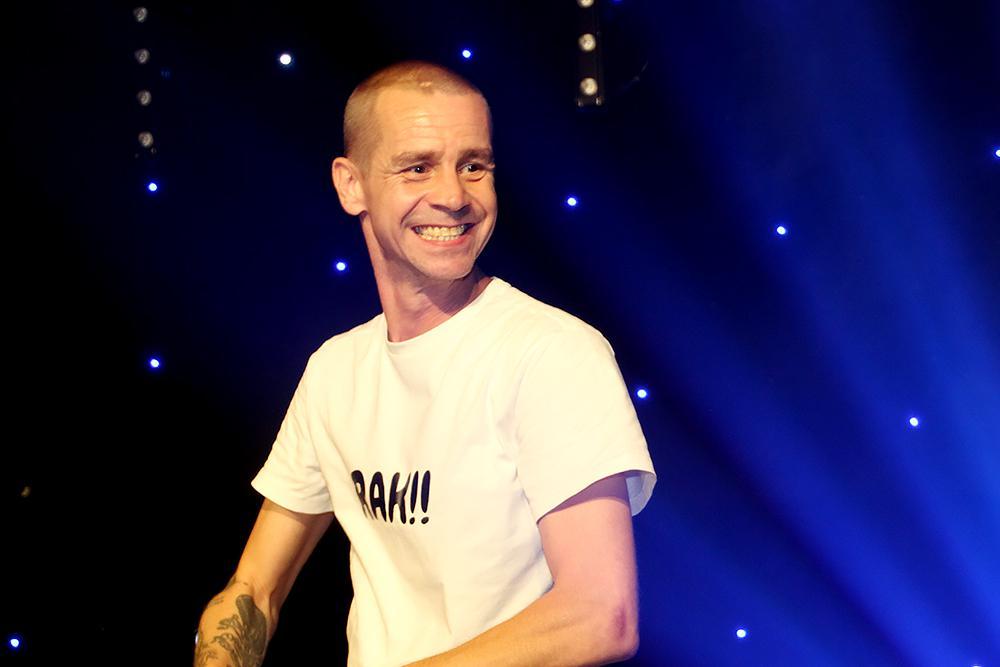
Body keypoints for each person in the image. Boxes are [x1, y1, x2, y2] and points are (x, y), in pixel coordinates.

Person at [194, 60, 656, 667]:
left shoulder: (552, 353)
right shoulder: (335, 370)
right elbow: (253, 590)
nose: (453, 196)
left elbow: (600, 615)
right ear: (351, 185)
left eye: (474, 166)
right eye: (418, 167)